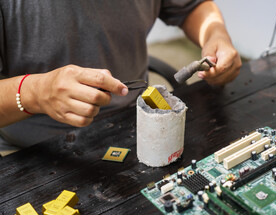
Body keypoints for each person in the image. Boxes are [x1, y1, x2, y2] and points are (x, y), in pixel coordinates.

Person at [0, 0, 241, 151]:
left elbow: (193, 7)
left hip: (134, 125)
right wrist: (34, 93)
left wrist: (215, 33)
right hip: (35, 150)